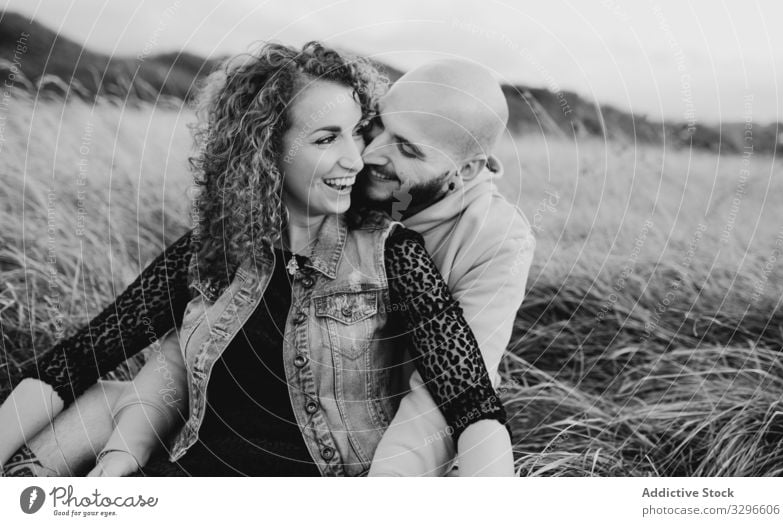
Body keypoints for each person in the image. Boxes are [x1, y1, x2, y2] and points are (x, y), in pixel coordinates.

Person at [0, 41, 512, 477]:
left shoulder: (393, 254)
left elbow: (471, 403)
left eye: (358, 131)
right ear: (267, 149)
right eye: (328, 137)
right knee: (48, 455)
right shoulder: (217, 248)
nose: (361, 158)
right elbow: (78, 357)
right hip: (185, 472)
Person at [358, 59, 535, 476]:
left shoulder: (496, 240)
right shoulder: (345, 180)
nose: (369, 152)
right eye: (378, 124)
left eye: (406, 147)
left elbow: (447, 391)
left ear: (467, 169)